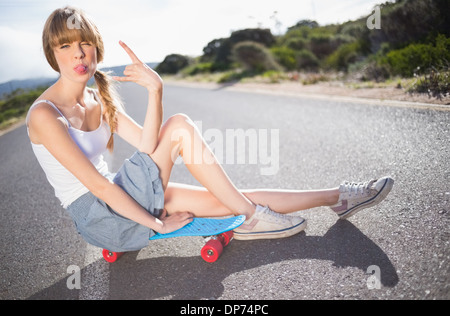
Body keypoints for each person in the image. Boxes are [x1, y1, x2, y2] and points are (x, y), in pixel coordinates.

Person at [26, 6, 394, 252]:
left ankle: (339, 197)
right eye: (66, 46)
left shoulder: (95, 99)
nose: (78, 54)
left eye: (84, 43)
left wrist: (156, 91)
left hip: (123, 196)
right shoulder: (43, 115)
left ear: (96, 49)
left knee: (231, 197)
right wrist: (157, 223)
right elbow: (99, 185)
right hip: (99, 216)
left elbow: (146, 142)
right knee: (182, 128)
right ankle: (251, 218)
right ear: (51, 53)